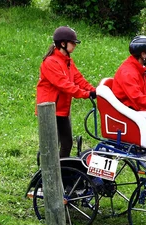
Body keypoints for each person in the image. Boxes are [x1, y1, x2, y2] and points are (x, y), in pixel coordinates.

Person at [36, 26, 96, 158]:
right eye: (72, 42)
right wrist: (86, 94)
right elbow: (64, 85)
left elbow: (78, 79)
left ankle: (63, 172)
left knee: (67, 143)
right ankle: (50, 175)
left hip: (62, 109)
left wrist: (94, 90)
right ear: (63, 44)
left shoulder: (68, 61)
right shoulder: (50, 62)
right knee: (51, 146)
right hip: (50, 110)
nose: (75, 45)